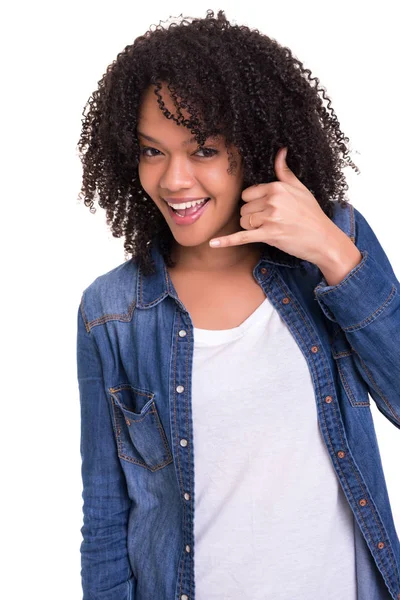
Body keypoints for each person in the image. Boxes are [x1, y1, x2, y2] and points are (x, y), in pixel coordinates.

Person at [76, 9, 400, 600]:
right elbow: (106, 513)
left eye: (202, 149)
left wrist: (332, 250)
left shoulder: (333, 249)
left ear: (250, 145)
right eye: (153, 151)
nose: (175, 180)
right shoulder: (112, 311)